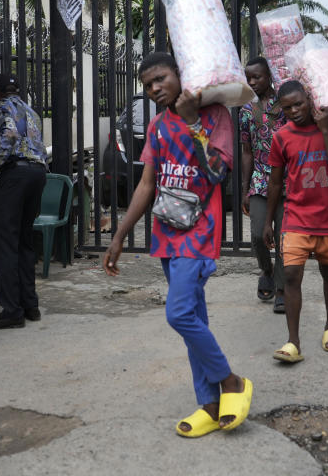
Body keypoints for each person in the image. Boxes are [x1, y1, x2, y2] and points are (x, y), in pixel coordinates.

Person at [103, 52, 252, 438]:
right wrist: (119, 235)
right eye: (147, 84)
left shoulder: (215, 115)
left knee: (179, 314)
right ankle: (209, 403)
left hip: (199, 233)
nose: (154, 88)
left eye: (160, 79)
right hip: (166, 233)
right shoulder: (156, 126)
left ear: (180, 75)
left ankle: (231, 381)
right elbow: (147, 184)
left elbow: (217, 173)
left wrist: (191, 122)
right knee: (194, 323)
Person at [263, 80, 328, 364]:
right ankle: (293, 341)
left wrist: (325, 128)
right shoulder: (281, 137)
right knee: (290, 275)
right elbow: (275, 183)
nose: (294, 111)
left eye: (299, 104)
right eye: (287, 107)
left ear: (310, 99)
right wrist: (268, 221)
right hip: (296, 218)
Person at [0, 73, 48, 330]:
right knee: (24, 241)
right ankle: (30, 305)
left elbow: (7, 134)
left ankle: (11, 310)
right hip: (38, 174)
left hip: (15, 175)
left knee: (5, 241)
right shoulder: (31, 111)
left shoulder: (0, 106)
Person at [238, 56, 287, 312]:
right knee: (258, 234)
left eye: (257, 76)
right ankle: (266, 270)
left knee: (282, 236)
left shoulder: (286, 104)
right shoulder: (247, 110)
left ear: (269, 76)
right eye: (249, 78)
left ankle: (281, 288)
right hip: (259, 180)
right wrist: (245, 189)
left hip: (287, 182)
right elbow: (246, 151)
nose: (253, 82)